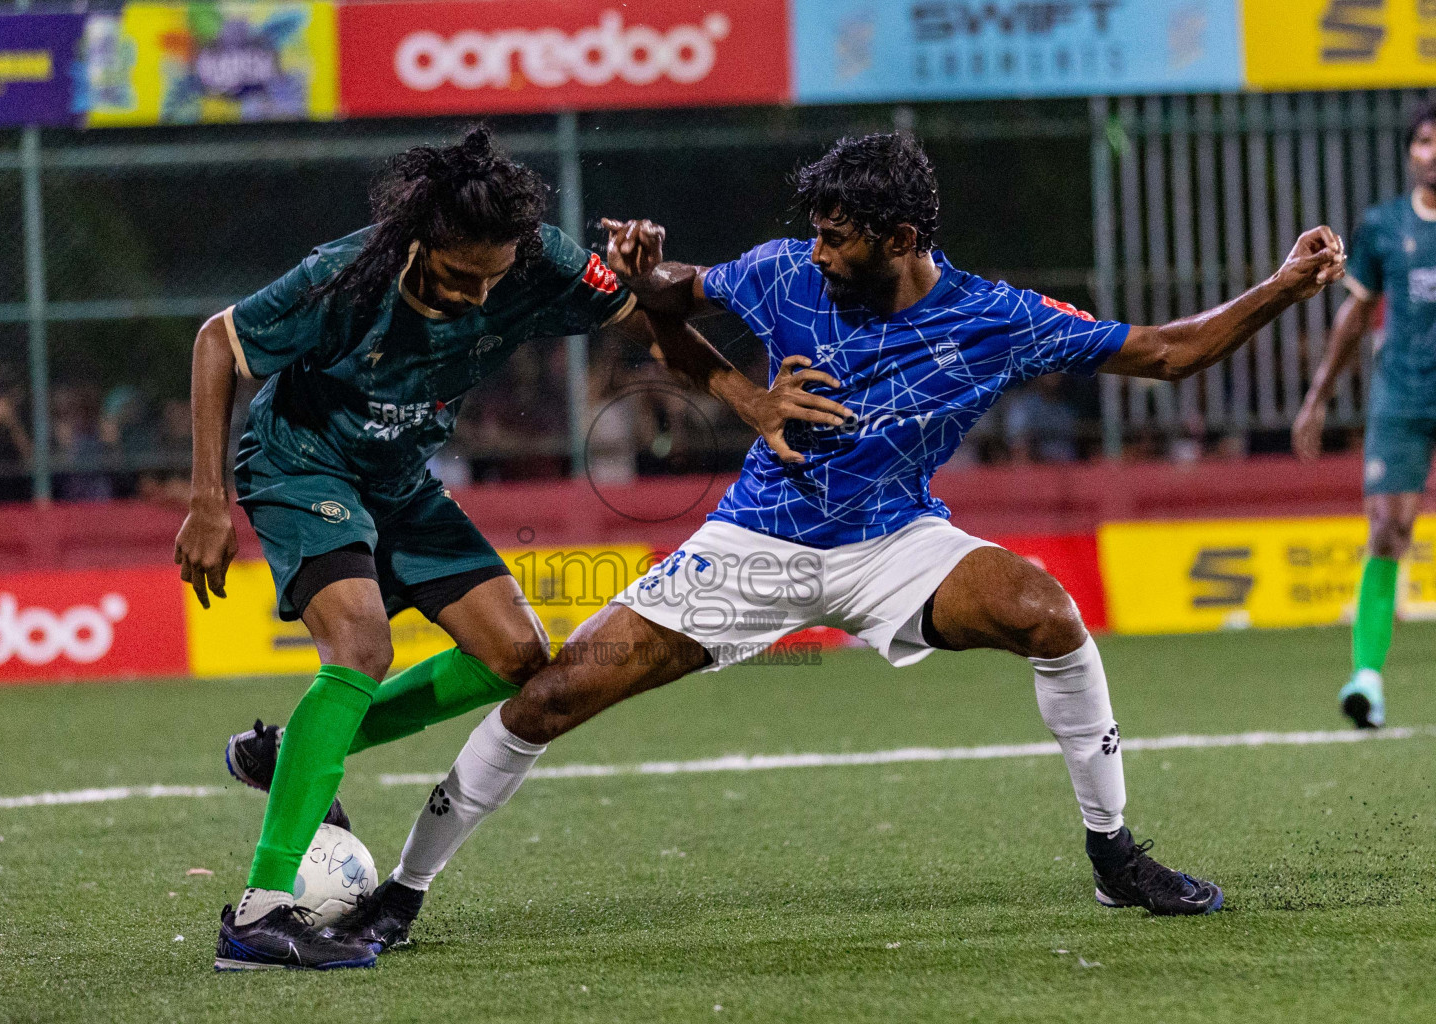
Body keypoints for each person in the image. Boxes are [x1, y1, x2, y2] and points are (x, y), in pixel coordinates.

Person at [319, 131, 1346, 951]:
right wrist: (641, 269)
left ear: (901, 236)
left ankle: (1115, 853)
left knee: (1048, 612)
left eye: (840, 235)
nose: (817, 250)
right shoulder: (783, 273)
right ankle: (400, 897)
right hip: (755, 544)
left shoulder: (997, 316)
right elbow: (674, 299)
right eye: (813, 230)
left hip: (895, 542)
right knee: (546, 696)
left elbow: (1168, 353)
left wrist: (1281, 289)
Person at [176, 127, 820, 971]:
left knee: (516, 655)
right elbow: (218, 342)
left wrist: (751, 401)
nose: (480, 296)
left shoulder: (540, 261)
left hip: (401, 478)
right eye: (457, 277)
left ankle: (287, 753)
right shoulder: (350, 272)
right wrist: (206, 501)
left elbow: (648, 328)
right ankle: (260, 915)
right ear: (419, 243)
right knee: (362, 646)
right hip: (304, 462)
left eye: (493, 276)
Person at [1293, 102, 1436, 731]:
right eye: (1426, 141)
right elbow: (1354, 316)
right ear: (1411, 151)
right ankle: (1367, 680)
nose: (1434, 152)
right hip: (1402, 394)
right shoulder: (1383, 227)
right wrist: (1318, 396)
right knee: (1387, 528)